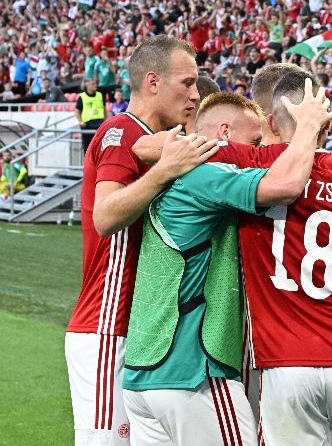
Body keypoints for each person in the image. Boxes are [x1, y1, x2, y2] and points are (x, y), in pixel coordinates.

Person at [122, 81, 331, 446]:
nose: (260, 150)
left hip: (144, 376)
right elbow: (284, 186)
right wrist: (309, 128)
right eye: (254, 141)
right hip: (192, 370)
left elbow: (142, 146)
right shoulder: (206, 175)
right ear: (223, 133)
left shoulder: (175, 174)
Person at [210, 70, 332, 446]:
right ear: (325, 122)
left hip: (285, 364)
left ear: (270, 123)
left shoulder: (249, 164)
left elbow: (179, 145)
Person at [65, 35, 218, 446]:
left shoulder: (150, 138)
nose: (195, 93)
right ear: (153, 82)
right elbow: (106, 215)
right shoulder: (120, 131)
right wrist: (163, 172)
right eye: (186, 83)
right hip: (107, 323)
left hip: (142, 327)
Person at [76, 79, 107, 154]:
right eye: (93, 84)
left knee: (100, 147)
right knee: (87, 148)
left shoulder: (100, 95)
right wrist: (80, 121)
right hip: (87, 124)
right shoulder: (82, 97)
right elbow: (77, 111)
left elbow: (104, 108)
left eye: (95, 84)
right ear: (88, 85)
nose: (95, 85)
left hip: (99, 124)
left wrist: (105, 120)